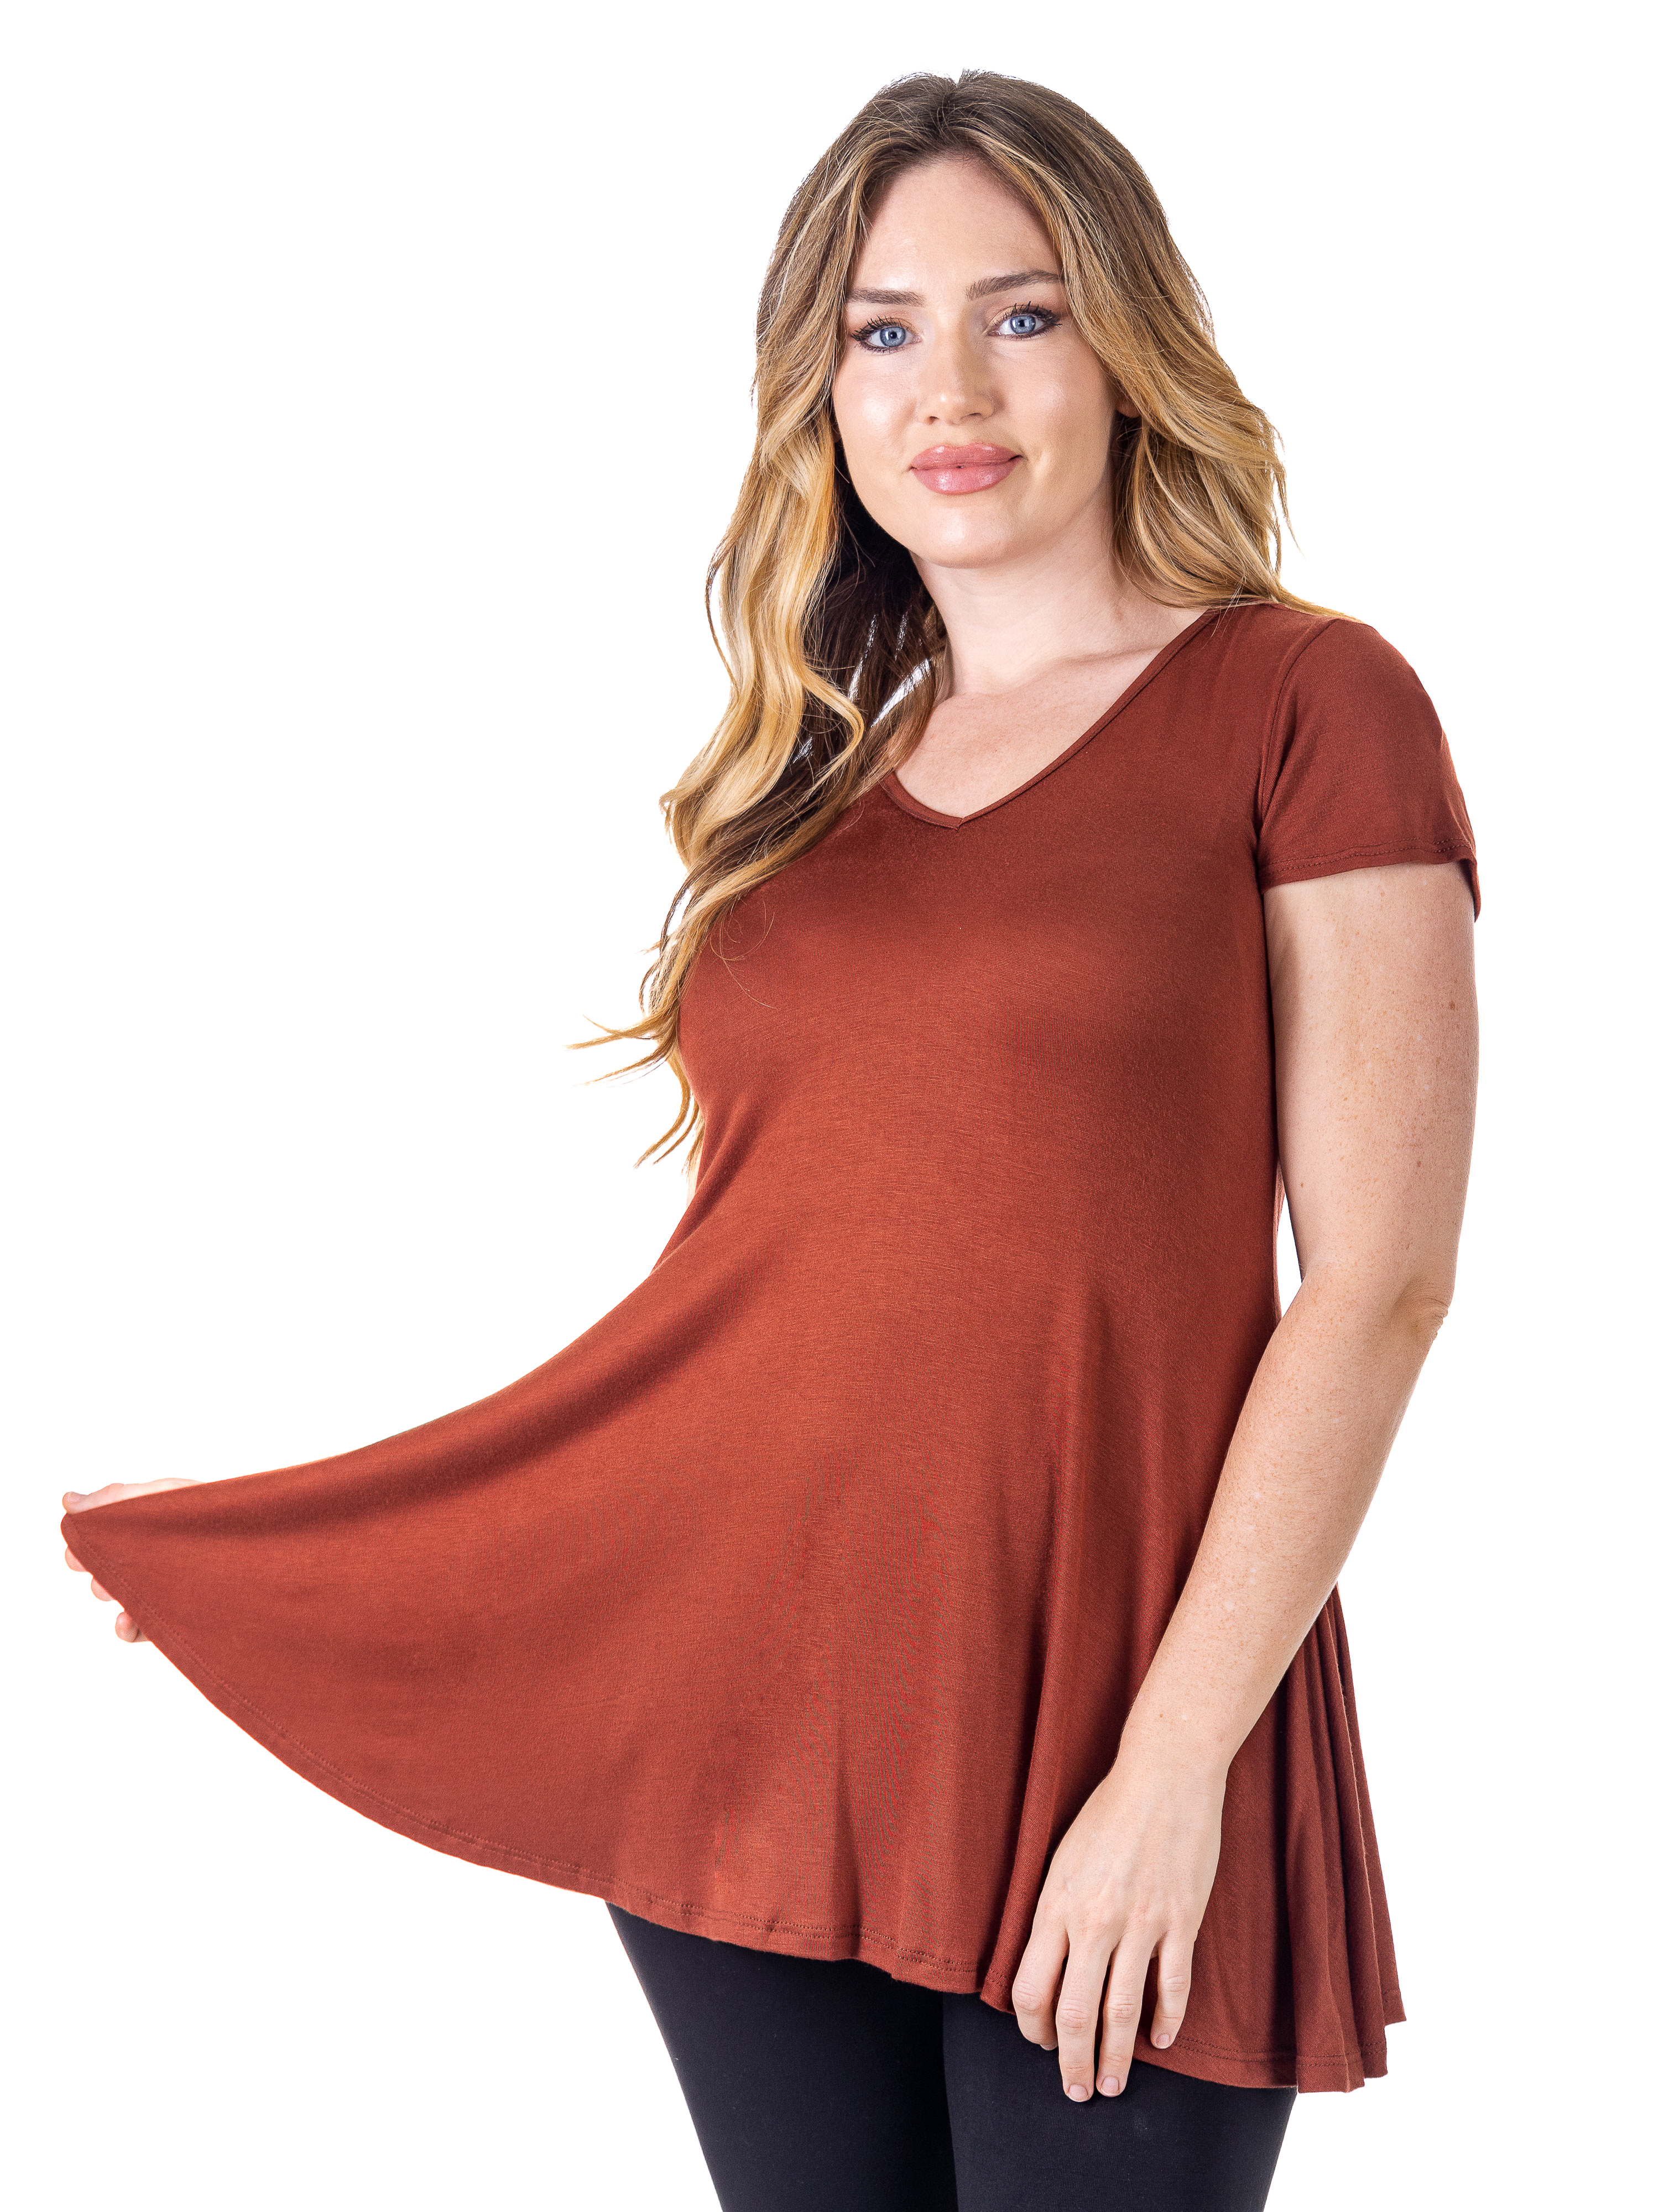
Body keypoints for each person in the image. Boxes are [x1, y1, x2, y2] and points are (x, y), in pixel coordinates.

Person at [61, 69, 1479, 2212]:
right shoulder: (806, 795)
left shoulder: (1306, 701)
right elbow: (758, 1312)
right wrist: (317, 1552)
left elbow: (1379, 1284)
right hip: (754, 1714)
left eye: (1021, 314)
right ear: (822, 387)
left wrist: (1173, 1766)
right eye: (882, 330)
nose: (949, 389)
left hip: (1119, 1716)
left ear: (1128, 344)